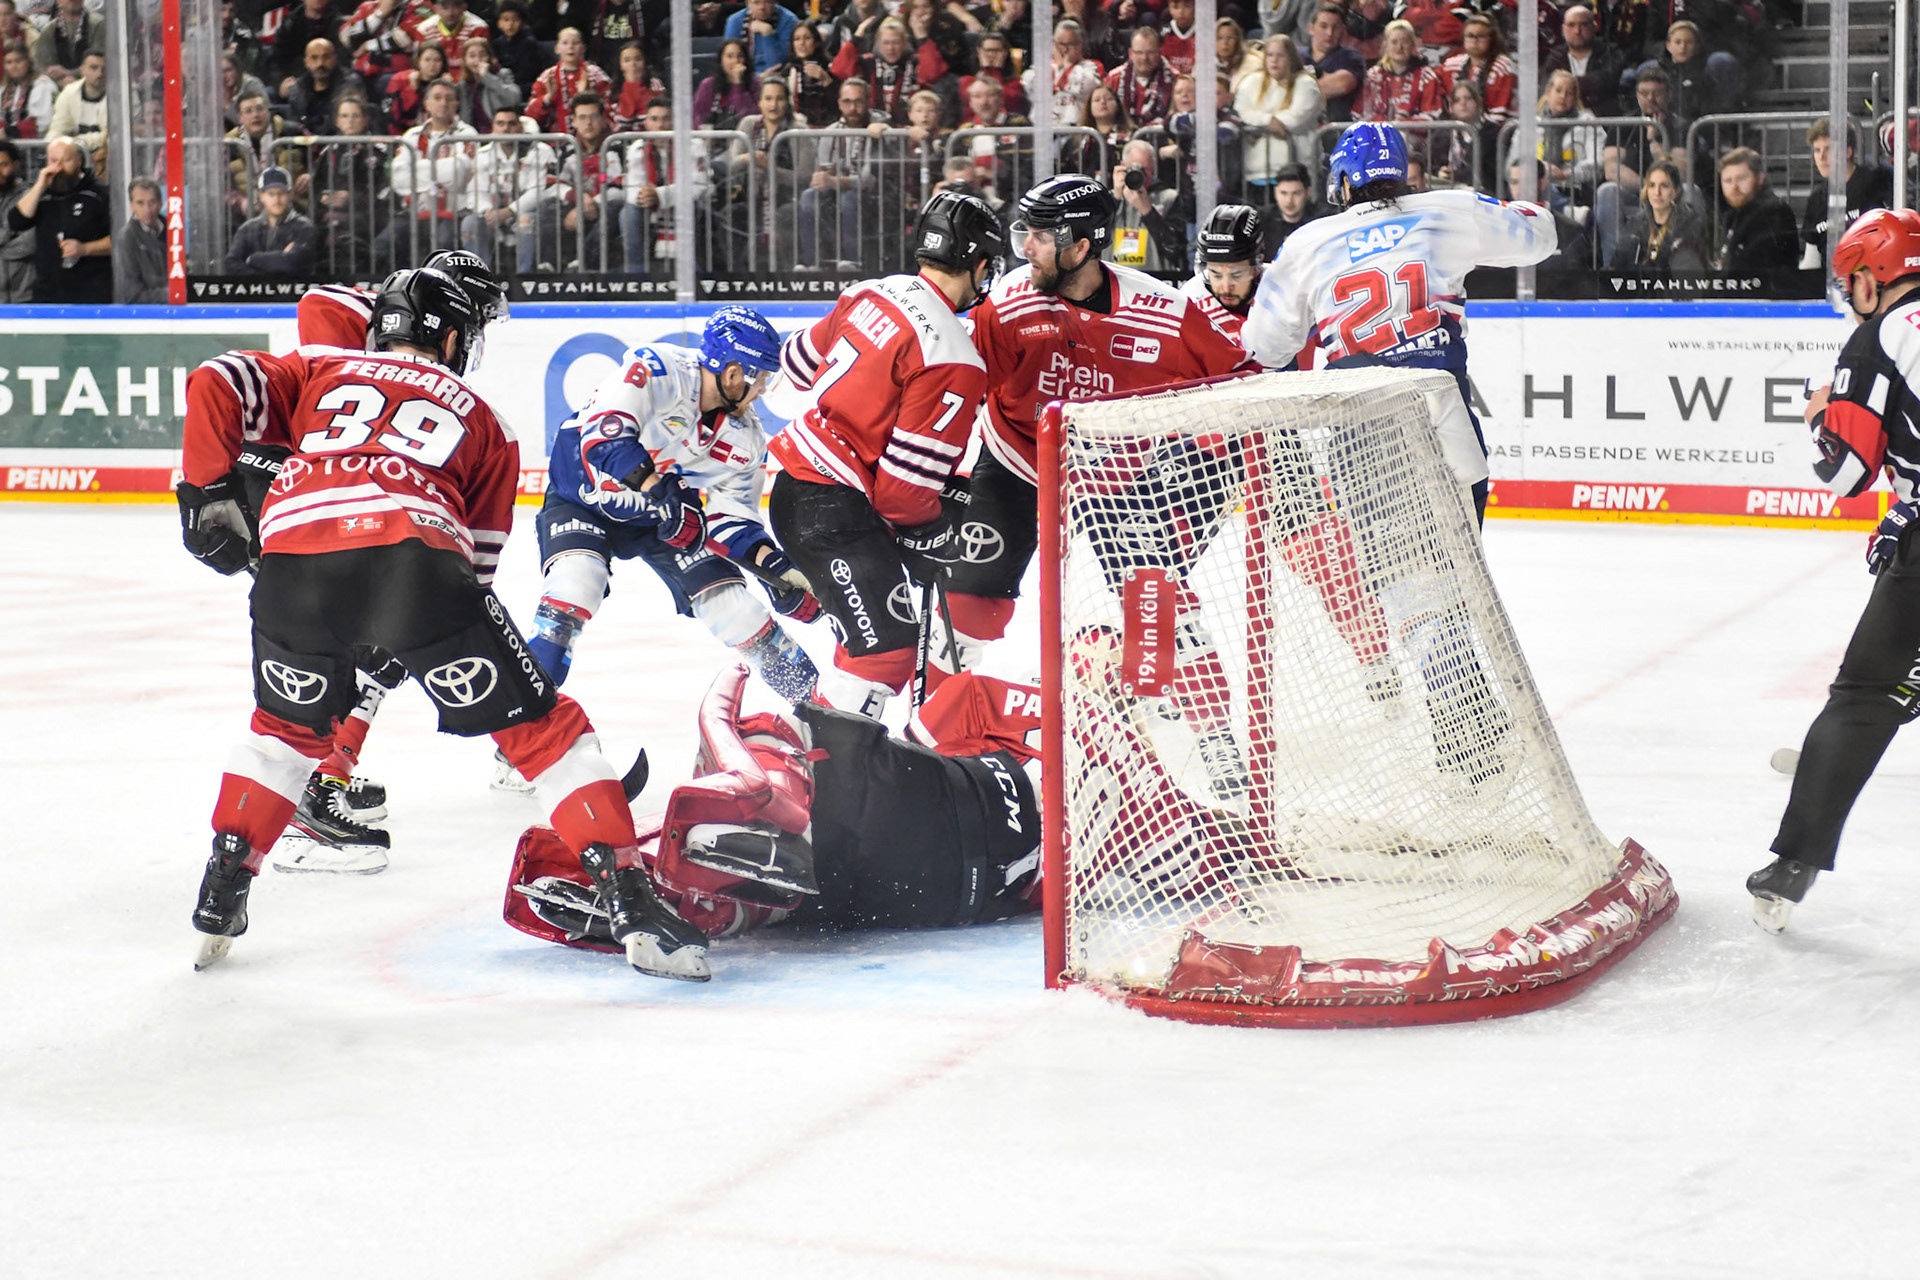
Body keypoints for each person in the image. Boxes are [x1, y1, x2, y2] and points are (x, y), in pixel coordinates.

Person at [180, 268, 709, 981]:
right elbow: (479, 569)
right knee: (544, 732)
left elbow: (216, 377)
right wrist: (414, 631)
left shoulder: (318, 365)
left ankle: (223, 891)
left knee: (281, 737)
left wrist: (204, 491)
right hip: (414, 556)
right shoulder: (488, 420)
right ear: (454, 336)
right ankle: (633, 906)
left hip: (292, 562)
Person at [942, 175, 1252, 742]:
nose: (1024, 249)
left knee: (1159, 605)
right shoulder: (1006, 304)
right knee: (966, 602)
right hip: (1017, 465)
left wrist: (1211, 461)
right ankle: (938, 728)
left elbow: (1240, 384)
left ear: (1081, 246)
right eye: (1024, 233)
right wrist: (943, 472)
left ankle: (1209, 741)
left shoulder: (1163, 310)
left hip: (1117, 480)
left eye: (1039, 236)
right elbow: (961, 387)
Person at [505, 662, 1050, 956]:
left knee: (794, 737)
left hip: (927, 848)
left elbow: (937, 725)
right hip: (957, 901)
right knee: (804, 884)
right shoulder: (1127, 842)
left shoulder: (1020, 704)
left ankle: (747, 812)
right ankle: (697, 895)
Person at [510, 307, 821, 796]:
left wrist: (777, 570)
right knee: (572, 592)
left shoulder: (746, 439)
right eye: (760, 377)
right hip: (583, 501)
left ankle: (825, 725)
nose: (763, 390)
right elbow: (603, 434)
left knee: (737, 612)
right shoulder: (655, 367)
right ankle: (519, 741)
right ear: (735, 371)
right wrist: (657, 489)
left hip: (663, 522)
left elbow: (733, 519)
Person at [762, 190, 1003, 719]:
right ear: (978, 262)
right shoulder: (955, 358)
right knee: (886, 650)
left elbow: (791, 373)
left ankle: (812, 753)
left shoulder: (873, 290)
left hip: (793, 489)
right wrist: (940, 524)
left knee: (866, 640)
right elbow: (902, 495)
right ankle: (820, 774)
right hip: (833, 511)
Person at [1748, 209, 1920, 933]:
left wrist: (1821, 414)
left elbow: (1847, 472)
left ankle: (1793, 862)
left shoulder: (1877, 336)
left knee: (1862, 693)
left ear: (1870, 275)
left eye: (1849, 280)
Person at [1244, 122, 1556, 522]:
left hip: (1358, 424)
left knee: (1380, 568)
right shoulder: (1447, 210)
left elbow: (1262, 347)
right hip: (1443, 413)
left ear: (1343, 179)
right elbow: (1541, 235)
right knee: (1461, 566)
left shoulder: (1308, 243)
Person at [381, 76, 476, 268]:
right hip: (415, 211)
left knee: (443, 246)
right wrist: (441, 173)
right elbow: (399, 178)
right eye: (438, 97)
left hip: (454, 212)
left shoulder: (468, 133)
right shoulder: (412, 135)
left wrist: (419, 168)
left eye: (449, 98)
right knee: (384, 244)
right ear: (427, 103)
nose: (443, 103)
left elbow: (459, 174)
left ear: (456, 103)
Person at [524, 90, 621, 272]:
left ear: (602, 119)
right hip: (576, 205)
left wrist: (590, 204)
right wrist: (579, 199)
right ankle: (548, 265)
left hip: (603, 205)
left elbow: (620, 187)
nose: (588, 123)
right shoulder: (565, 149)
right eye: (582, 117)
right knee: (548, 205)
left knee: (613, 207)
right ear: (574, 121)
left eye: (593, 116)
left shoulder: (617, 147)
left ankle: (586, 264)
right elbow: (552, 185)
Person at [5, 134, 109, 302]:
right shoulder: (42, 193)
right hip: (47, 294)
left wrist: (85, 248)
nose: (58, 167)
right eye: (53, 161)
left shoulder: (99, 194)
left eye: (65, 160)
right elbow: (17, 221)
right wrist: (39, 186)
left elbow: (118, 241)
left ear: (79, 161)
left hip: (90, 294)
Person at [1801, 116, 1894, 270]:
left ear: (1848, 151)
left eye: (1829, 149)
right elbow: (1812, 260)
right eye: (1817, 150)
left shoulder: (1874, 181)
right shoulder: (1816, 199)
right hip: (1832, 284)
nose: (1821, 157)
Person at [464, 104, 550, 268]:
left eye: (512, 124)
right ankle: (480, 278)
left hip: (528, 213)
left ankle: (525, 276)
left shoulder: (539, 151)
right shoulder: (482, 154)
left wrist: (509, 211)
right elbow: (475, 192)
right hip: (492, 215)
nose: (506, 129)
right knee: (469, 223)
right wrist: (489, 212)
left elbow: (537, 191)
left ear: (521, 127)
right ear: (493, 128)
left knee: (526, 220)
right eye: (500, 124)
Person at [1234, 34, 1320, 197]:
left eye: (1280, 55)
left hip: (1297, 170)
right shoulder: (1250, 82)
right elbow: (1242, 110)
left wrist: (1259, 126)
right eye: (1270, 55)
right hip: (1257, 172)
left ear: (1291, 58)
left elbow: (1297, 117)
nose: (1274, 60)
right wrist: (1267, 121)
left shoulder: (1306, 84)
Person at [1183, 202, 1266, 341]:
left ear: (1257, 266)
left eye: (1236, 274)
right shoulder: (1191, 300)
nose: (1226, 287)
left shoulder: (1282, 292)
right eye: (1215, 274)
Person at [1607, 157, 1707, 271]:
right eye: (1652, 185)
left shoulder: (1690, 225)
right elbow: (1615, 267)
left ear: (1677, 191)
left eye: (1664, 186)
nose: (1657, 192)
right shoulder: (1635, 225)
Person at [1713, 147, 1798, 274]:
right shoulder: (1733, 214)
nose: (1734, 187)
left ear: (1760, 178)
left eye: (1741, 179)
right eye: (1728, 181)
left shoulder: (1773, 212)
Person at [1105, 137, 1183, 272]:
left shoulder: (1168, 198)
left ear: (1153, 168)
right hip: (1115, 279)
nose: (1141, 174)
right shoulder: (1108, 199)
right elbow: (1095, 236)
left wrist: (1147, 211)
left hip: (1154, 279)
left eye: (1145, 169)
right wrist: (1115, 198)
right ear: (1123, 166)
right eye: (1134, 168)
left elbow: (1175, 248)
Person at [224, 166, 319, 276]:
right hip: (256, 292)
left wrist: (251, 259)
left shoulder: (305, 227)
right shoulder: (247, 228)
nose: (276, 200)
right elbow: (231, 264)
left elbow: (291, 263)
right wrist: (264, 279)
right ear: (261, 196)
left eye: (281, 193)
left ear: (290, 195)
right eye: (271, 193)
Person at [1547, 4, 1628, 118]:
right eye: (1571, 25)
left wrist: (1568, 86)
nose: (1577, 31)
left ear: (1594, 27)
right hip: (1562, 120)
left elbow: (1604, 83)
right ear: (1563, 29)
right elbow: (1547, 86)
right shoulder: (1555, 56)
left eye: (1583, 25)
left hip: (1603, 120)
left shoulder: (1610, 52)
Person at [1022, 18, 1104, 129]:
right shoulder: (1043, 66)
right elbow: (1028, 83)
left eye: (1070, 44)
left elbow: (1086, 86)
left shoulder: (1091, 66)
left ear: (1080, 45)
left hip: (1075, 130)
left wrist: (1066, 67)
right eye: (1060, 44)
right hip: (1042, 130)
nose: (1064, 50)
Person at [1438, 12, 1515, 129]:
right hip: (1458, 130)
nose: (1475, 41)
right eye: (1470, 36)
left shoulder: (1502, 67)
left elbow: (1499, 115)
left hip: (1494, 132)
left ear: (1491, 39)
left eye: (1481, 36)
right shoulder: (1450, 65)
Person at [527, 27, 613, 131]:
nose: (570, 47)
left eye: (575, 43)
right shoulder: (547, 77)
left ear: (583, 48)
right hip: (558, 140)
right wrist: (548, 97)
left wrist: (587, 96)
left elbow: (610, 109)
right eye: (565, 43)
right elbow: (530, 116)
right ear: (557, 48)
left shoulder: (595, 74)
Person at [1358, 18, 1443, 122]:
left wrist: (1402, 125)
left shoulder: (1426, 76)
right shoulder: (1373, 76)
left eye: (1405, 42)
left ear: (1412, 45)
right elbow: (1361, 113)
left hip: (1413, 136)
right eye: (1394, 42)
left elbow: (1432, 114)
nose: (1399, 47)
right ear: (1386, 45)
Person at [286, 39, 368, 138]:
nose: (320, 64)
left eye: (326, 57)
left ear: (335, 59)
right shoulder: (298, 89)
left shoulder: (351, 83)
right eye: (314, 58)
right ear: (306, 62)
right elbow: (293, 122)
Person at [1305, 4, 1366, 125]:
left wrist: (1297, 88)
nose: (1330, 33)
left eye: (1336, 27)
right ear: (1311, 29)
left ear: (1343, 31)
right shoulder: (1296, 56)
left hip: (1338, 130)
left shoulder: (1351, 57)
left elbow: (1341, 85)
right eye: (1323, 26)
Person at [1105, 25, 1175, 129]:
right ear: (1130, 54)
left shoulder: (1174, 79)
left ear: (1159, 52)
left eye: (1150, 52)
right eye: (1139, 53)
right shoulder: (1114, 78)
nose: (1144, 58)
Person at [1258, 161, 1325, 255]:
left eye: (1296, 193)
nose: (1289, 201)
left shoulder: (1321, 221)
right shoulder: (1262, 219)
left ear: (1308, 192)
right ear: (1275, 192)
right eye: (1283, 193)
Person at [45, 46, 101, 155]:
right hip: (73, 155)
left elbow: (111, 136)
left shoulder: (122, 93)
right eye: (94, 68)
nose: (100, 73)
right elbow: (57, 129)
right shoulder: (69, 93)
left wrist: (76, 141)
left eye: (104, 68)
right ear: (82, 70)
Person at [692, 36, 756, 131]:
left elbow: (746, 117)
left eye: (740, 56)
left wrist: (737, 84)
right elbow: (697, 116)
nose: (735, 61)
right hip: (713, 139)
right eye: (729, 56)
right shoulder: (708, 85)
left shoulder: (755, 85)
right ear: (721, 60)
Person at [490, 0, 551, 99]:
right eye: (506, 20)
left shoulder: (529, 43)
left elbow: (527, 74)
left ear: (522, 23)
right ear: (499, 23)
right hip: (503, 86)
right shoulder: (497, 44)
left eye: (514, 20)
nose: (510, 24)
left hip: (524, 87)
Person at [457, 37, 520, 128]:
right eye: (472, 56)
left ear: (489, 57)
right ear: (465, 60)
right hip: (471, 135)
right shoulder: (462, 85)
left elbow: (513, 100)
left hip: (497, 133)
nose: (478, 60)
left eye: (482, 55)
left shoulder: (503, 75)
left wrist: (487, 77)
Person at [724, 0, 798, 77]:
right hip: (745, 79)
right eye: (756, 2)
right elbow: (731, 65)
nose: (761, 7)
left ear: (774, 2)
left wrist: (768, 34)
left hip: (778, 78)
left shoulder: (789, 21)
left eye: (767, 2)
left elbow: (777, 65)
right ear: (748, 3)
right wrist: (757, 78)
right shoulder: (735, 21)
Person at [0, 137, 34, 301]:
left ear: (16, 165)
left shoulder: (29, 197)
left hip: (24, 295)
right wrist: (10, 234)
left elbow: (30, 243)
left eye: (4, 164)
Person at [610, 40, 665, 131]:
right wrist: (630, 85)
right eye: (627, 60)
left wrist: (634, 85)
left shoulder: (655, 85)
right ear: (620, 65)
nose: (633, 64)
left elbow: (649, 117)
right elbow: (624, 119)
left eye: (638, 59)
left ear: (644, 62)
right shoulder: (613, 89)